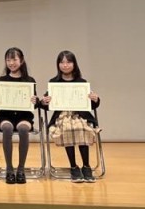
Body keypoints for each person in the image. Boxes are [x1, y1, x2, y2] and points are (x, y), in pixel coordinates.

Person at [40, 50, 101, 183]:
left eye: (68, 62)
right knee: (68, 129)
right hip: (62, 116)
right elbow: (45, 105)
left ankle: (86, 166)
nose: (65, 65)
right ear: (58, 65)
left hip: (80, 115)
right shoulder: (54, 82)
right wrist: (44, 101)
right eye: (62, 62)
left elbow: (91, 105)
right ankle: (73, 166)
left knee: (81, 128)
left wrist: (95, 99)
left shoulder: (82, 82)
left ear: (74, 64)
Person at [0, 47, 38, 184]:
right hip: (6, 116)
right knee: (7, 128)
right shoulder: (1, 80)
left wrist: (35, 100)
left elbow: (34, 105)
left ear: (21, 61)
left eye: (14, 59)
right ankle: (9, 169)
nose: (11, 63)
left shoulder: (29, 80)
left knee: (23, 129)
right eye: (8, 60)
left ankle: (21, 169)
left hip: (24, 116)